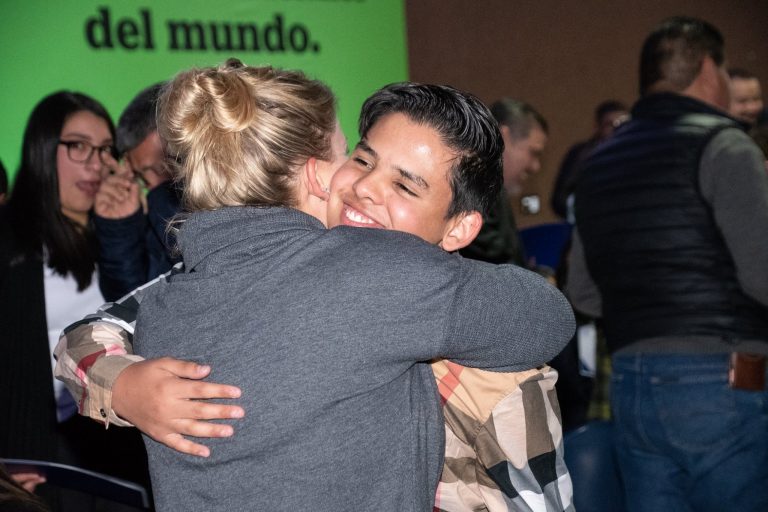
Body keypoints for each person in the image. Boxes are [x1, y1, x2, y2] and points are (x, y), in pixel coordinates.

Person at [55, 61, 575, 511]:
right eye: (361, 158)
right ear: (319, 174)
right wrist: (122, 386)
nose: (365, 187)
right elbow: (89, 330)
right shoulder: (370, 280)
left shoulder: (181, 298)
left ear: (458, 228)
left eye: (404, 185)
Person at [567, 17, 768, 512]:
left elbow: (583, 293)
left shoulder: (597, 164)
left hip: (632, 385)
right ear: (707, 68)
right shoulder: (725, 144)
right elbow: (763, 275)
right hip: (722, 381)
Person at [0, 91, 150, 511]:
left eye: (105, 150)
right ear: (43, 149)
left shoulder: (125, 229)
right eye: (79, 146)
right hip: (28, 463)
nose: (96, 163)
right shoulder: (9, 235)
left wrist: (121, 229)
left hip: (115, 459)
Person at [95, 82, 182, 301]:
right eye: (142, 177)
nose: (155, 186)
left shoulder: (239, 191)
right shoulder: (149, 218)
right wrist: (119, 230)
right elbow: (131, 308)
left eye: (168, 168)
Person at [459, 98, 548, 267]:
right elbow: (495, 257)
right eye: (533, 152)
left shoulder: (485, 185)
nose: (535, 166)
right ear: (503, 137)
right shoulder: (473, 185)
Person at [550, 100, 628, 220]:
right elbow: (559, 199)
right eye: (610, 124)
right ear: (598, 127)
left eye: (623, 124)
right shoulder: (582, 155)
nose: (617, 129)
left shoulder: (635, 152)